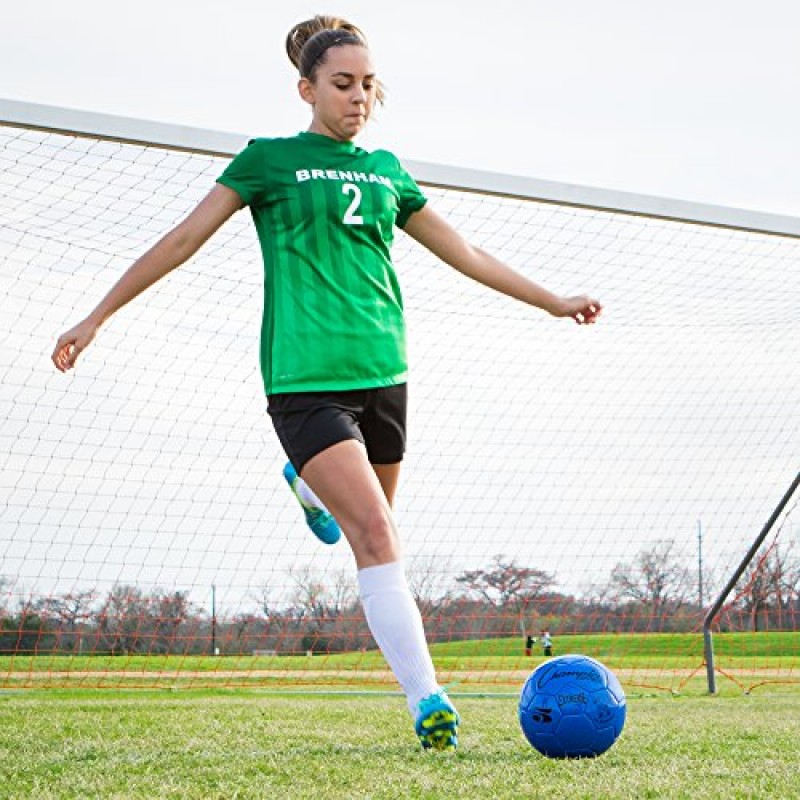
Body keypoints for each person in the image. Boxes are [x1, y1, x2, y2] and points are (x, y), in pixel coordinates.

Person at [52, 14, 601, 750]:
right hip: (306, 382)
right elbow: (182, 239)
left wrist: (554, 299)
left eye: (369, 85)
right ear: (305, 88)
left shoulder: (386, 172)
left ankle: (307, 486)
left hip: (387, 378)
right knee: (376, 535)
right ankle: (428, 701)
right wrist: (97, 316)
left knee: (374, 535)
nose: (358, 98)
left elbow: (465, 251)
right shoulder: (269, 161)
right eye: (343, 84)